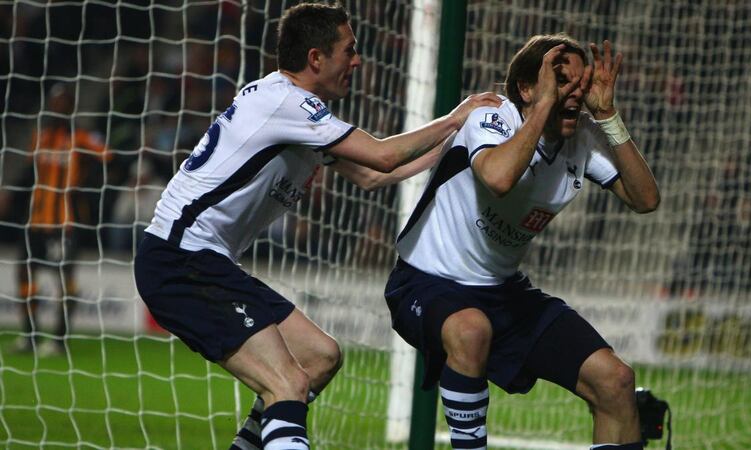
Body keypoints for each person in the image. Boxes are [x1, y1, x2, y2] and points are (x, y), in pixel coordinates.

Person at [132, 4, 500, 450]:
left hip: (201, 261)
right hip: (181, 260)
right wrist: (458, 115)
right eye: (350, 49)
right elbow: (384, 155)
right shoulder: (290, 104)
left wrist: (460, 141)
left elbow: (374, 175)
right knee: (286, 383)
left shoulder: (295, 109)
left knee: (319, 357)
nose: (358, 60)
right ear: (315, 59)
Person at [384, 34, 660, 450]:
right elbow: (498, 178)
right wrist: (544, 107)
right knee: (470, 329)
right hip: (424, 281)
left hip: (503, 292)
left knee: (615, 382)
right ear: (527, 89)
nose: (574, 94)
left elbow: (646, 199)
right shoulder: (493, 117)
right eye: (560, 81)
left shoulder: (582, 137)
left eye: (580, 86)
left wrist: (607, 116)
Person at [13, 82, 109, 356]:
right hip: (35, 220)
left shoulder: (81, 138)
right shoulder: (40, 137)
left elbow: (110, 158)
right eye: (55, 103)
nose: (58, 107)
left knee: (65, 280)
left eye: (63, 103)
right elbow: (28, 174)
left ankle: (58, 340)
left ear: (71, 107)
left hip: (63, 223)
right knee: (24, 274)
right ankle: (29, 336)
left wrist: (85, 185)